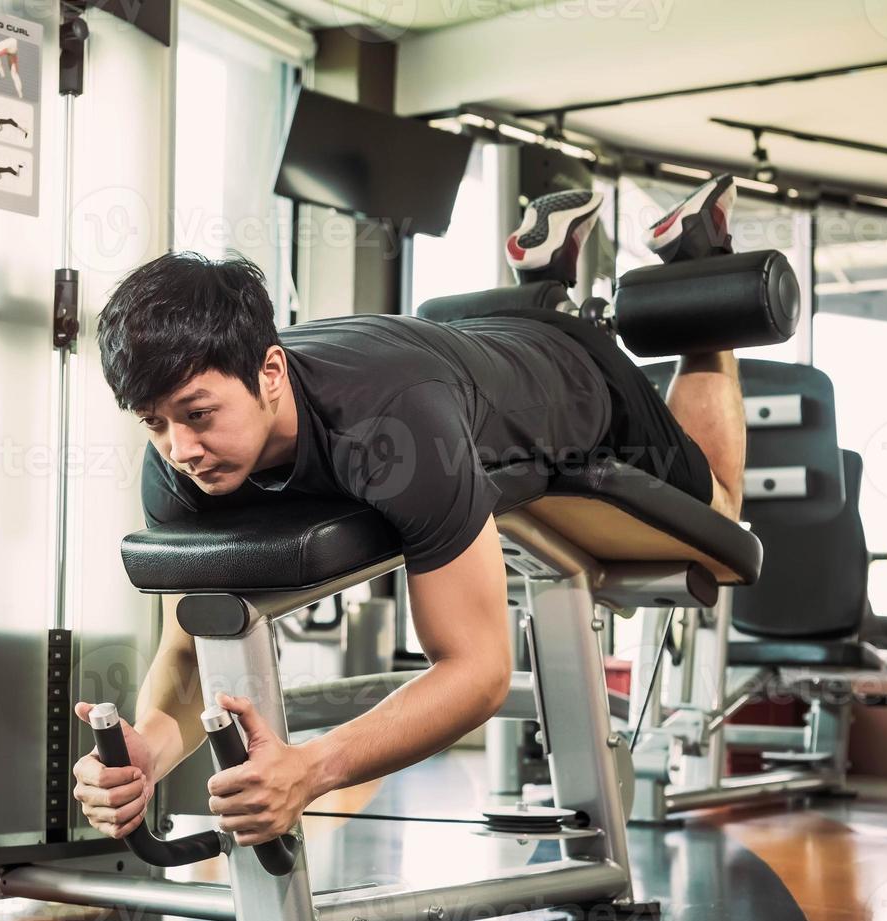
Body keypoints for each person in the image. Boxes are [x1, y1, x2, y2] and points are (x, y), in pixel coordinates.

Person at [72, 174, 745, 848]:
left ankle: (698, 262)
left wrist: (312, 768)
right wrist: (151, 751)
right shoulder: (173, 465)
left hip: (570, 375)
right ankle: (541, 278)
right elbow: (186, 655)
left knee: (719, 506)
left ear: (270, 374)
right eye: (153, 422)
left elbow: (477, 670)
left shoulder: (396, 430)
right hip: (459, 347)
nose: (180, 448)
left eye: (197, 414)